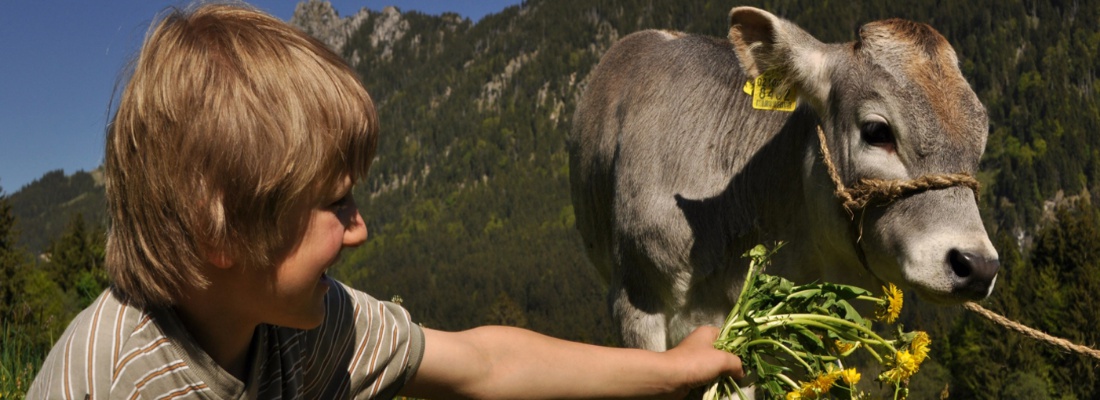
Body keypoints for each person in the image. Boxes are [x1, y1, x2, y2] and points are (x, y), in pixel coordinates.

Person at [27, 3, 743, 399]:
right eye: (335, 204)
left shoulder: (295, 325)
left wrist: (673, 367)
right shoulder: (130, 382)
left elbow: (484, 364)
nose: (360, 227)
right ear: (223, 228)